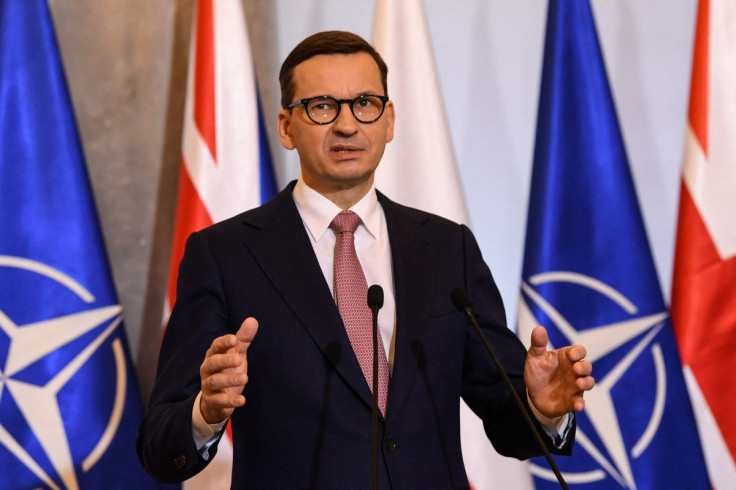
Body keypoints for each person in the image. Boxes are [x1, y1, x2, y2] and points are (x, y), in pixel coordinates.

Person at [137, 30, 594, 489]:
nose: (347, 125)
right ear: (286, 126)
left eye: (365, 104)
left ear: (389, 120)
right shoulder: (226, 254)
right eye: (321, 106)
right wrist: (205, 413)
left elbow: (505, 414)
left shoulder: (445, 247)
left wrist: (541, 408)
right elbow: (159, 445)